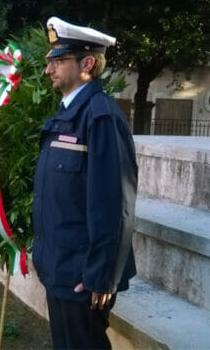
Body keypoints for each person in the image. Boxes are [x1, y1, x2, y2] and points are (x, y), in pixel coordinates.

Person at [32, 17, 138, 349]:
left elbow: (114, 204)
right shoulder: (66, 115)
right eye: (50, 61)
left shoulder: (100, 116)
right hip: (58, 268)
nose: (49, 70)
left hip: (81, 276)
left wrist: (101, 276)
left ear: (87, 64)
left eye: (58, 61)